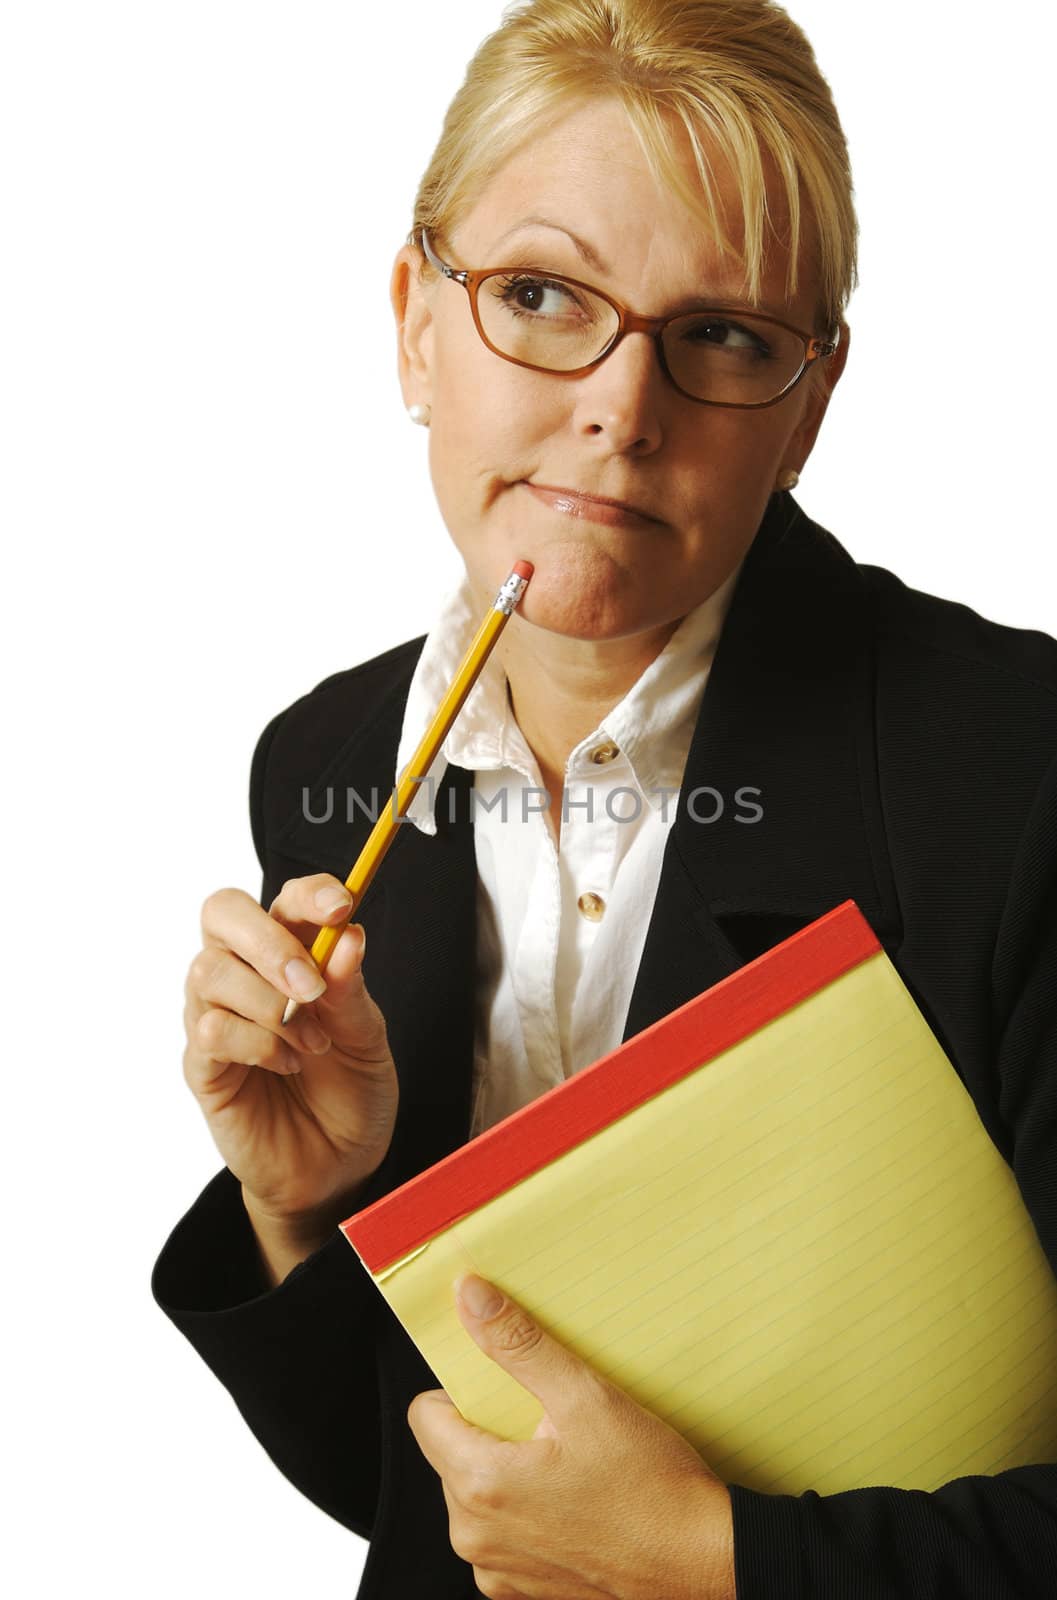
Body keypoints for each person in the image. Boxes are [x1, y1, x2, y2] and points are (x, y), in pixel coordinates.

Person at [152, 0, 1057, 1595]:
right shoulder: (328, 761)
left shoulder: (1022, 766)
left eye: (718, 335)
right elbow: (412, 1502)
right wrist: (301, 1210)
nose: (619, 413)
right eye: (537, 297)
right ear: (410, 323)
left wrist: (714, 1561)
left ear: (809, 403)